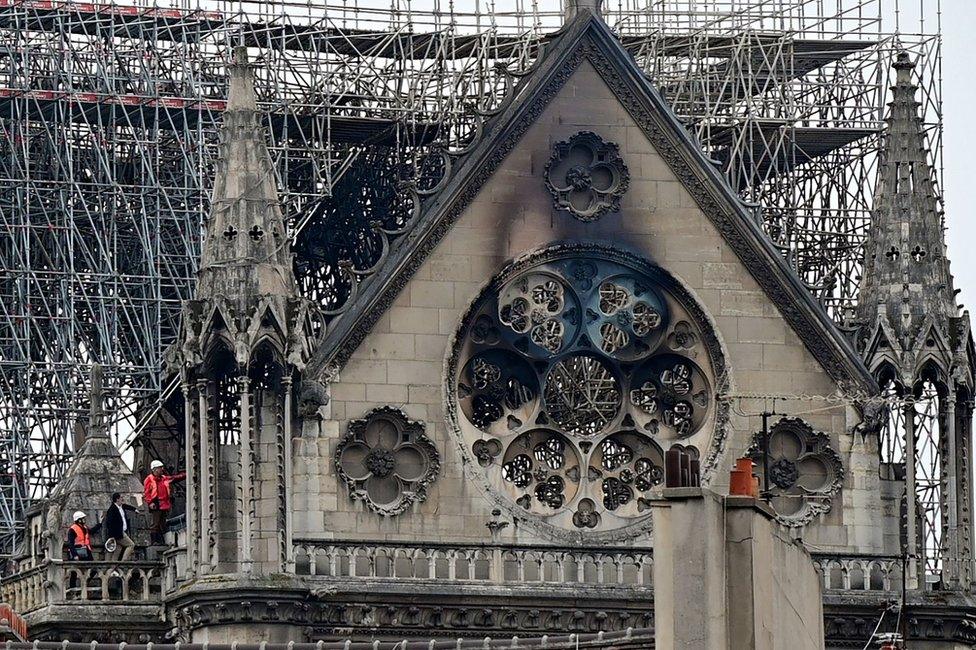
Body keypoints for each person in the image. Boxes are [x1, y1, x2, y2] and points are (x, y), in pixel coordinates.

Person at [143, 460, 185, 545]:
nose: (162, 469)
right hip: (156, 504)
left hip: (164, 504)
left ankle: (161, 541)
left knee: (162, 523)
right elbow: (147, 493)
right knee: (155, 523)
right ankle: (154, 541)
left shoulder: (164, 478)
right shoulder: (149, 479)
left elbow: (175, 478)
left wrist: (185, 475)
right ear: (154, 469)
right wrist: (150, 502)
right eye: (160, 468)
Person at [103, 492, 135, 561]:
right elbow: (109, 523)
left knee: (118, 550)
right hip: (118, 533)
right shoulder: (112, 509)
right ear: (117, 499)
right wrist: (112, 536)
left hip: (121, 532)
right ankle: (124, 562)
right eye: (121, 498)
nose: (122, 499)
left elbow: (126, 506)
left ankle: (112, 569)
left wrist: (134, 509)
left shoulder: (120, 507)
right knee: (131, 545)